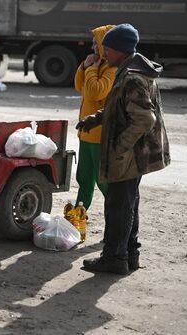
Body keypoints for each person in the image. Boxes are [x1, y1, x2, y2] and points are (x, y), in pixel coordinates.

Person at [78, 24, 170, 274]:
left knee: (118, 206)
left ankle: (114, 258)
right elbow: (119, 106)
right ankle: (130, 254)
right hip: (133, 154)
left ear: (120, 50)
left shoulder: (132, 77)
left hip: (129, 155)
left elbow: (144, 119)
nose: (104, 53)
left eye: (107, 49)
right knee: (128, 203)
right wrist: (96, 118)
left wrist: (120, 147)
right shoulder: (129, 70)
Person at [73, 25, 115, 210]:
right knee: (84, 181)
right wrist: (84, 66)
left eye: (95, 44)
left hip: (100, 137)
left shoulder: (111, 69)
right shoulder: (95, 65)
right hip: (86, 134)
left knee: (105, 184)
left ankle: (116, 225)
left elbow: (94, 92)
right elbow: (78, 86)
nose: (92, 48)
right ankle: (75, 221)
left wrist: (92, 69)